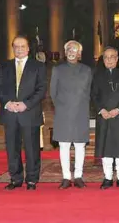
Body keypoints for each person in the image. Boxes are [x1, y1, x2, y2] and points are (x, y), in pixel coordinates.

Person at [0, 35, 47, 191]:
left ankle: (32, 179)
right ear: (12, 48)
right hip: (10, 113)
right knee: (12, 148)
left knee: (32, 149)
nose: (19, 49)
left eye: (22, 46)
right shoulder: (5, 66)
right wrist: (7, 103)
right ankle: (15, 178)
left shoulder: (38, 66)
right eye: (16, 47)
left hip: (29, 112)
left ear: (28, 48)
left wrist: (26, 104)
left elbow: (41, 89)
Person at [50, 40, 92, 189]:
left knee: (80, 145)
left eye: (74, 49)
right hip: (63, 112)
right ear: (65, 51)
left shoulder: (87, 70)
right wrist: (62, 107)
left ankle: (79, 176)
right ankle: (66, 177)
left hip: (81, 111)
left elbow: (89, 92)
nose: (71, 52)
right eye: (68, 49)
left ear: (79, 53)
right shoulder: (58, 70)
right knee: (64, 145)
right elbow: (53, 93)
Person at [92, 46, 119, 189]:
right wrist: (101, 110)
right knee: (106, 148)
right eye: (106, 57)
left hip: (118, 116)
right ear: (103, 60)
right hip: (103, 116)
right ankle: (107, 178)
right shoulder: (97, 75)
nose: (109, 60)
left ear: (117, 58)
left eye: (112, 57)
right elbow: (94, 95)